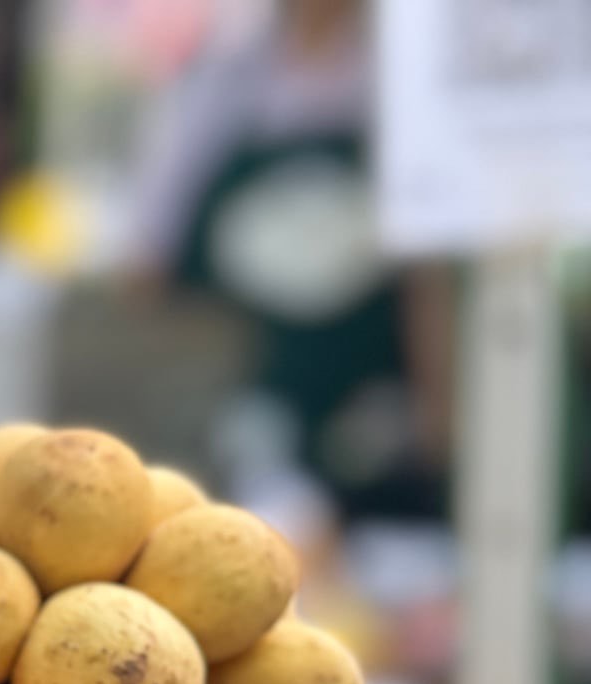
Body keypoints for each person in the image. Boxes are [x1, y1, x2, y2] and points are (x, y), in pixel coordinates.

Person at [127, 0, 453, 526]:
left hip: (377, 416)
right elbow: (149, 264)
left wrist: (439, 407)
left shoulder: (405, 75)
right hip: (249, 406)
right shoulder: (222, 78)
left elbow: (435, 271)